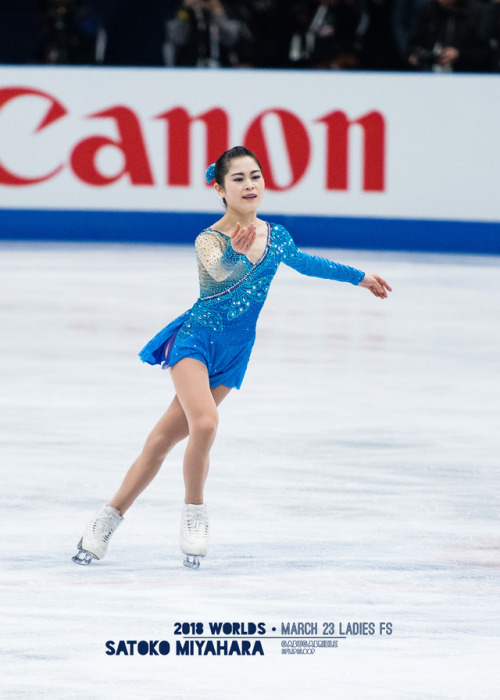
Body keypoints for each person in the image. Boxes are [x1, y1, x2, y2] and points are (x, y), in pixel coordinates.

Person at [73, 146, 392, 569]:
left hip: (236, 351)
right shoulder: (209, 239)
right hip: (196, 342)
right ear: (220, 189)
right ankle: (195, 512)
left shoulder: (276, 237)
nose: (249, 185)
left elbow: (306, 263)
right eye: (238, 178)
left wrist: (360, 277)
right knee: (204, 423)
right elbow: (220, 271)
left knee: (163, 440)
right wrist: (235, 254)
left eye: (255, 176)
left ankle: (107, 518)